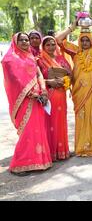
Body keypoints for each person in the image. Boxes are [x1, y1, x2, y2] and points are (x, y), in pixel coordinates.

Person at [55, 17, 92, 157]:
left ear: (91, 41)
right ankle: (83, 146)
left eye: (87, 40)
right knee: (82, 117)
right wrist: (72, 27)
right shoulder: (75, 51)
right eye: (82, 40)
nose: (85, 43)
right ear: (79, 41)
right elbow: (58, 40)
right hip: (79, 91)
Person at [2, 33, 52, 175]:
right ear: (15, 42)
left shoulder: (30, 56)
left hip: (38, 100)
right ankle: (20, 164)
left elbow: (38, 74)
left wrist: (43, 90)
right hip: (24, 100)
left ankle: (39, 162)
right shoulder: (9, 59)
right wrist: (31, 93)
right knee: (27, 132)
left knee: (38, 130)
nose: (25, 42)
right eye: (22, 40)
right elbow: (14, 81)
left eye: (26, 40)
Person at [37, 36, 72, 161]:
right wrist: (48, 81)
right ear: (43, 46)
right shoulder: (39, 61)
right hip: (49, 95)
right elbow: (35, 79)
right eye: (48, 45)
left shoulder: (61, 58)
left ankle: (62, 151)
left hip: (61, 94)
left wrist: (65, 80)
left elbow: (70, 74)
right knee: (49, 123)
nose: (51, 47)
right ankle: (50, 153)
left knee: (60, 122)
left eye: (53, 44)